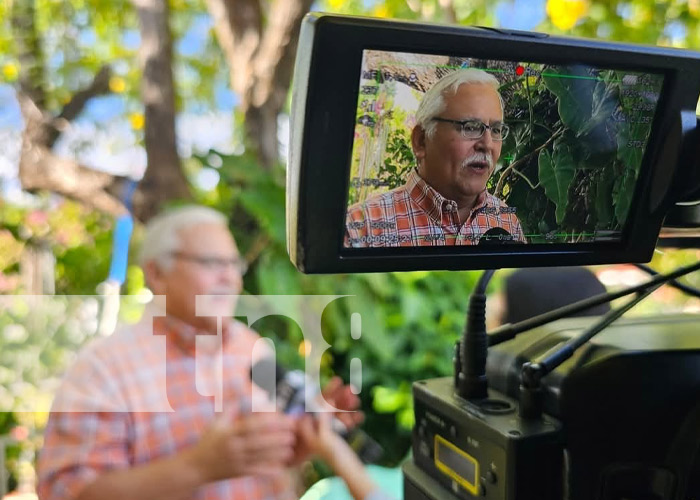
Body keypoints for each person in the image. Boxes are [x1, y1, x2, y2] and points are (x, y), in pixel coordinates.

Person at [37, 205, 361, 500]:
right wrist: (199, 467)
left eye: (234, 263)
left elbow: (272, 460)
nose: (230, 277)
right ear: (156, 274)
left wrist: (302, 441)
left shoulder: (250, 345)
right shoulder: (102, 368)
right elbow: (64, 492)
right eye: (211, 263)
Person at [345, 68, 526, 248]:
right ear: (421, 141)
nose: (487, 144)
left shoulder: (506, 220)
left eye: (495, 130)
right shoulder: (361, 228)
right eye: (470, 127)